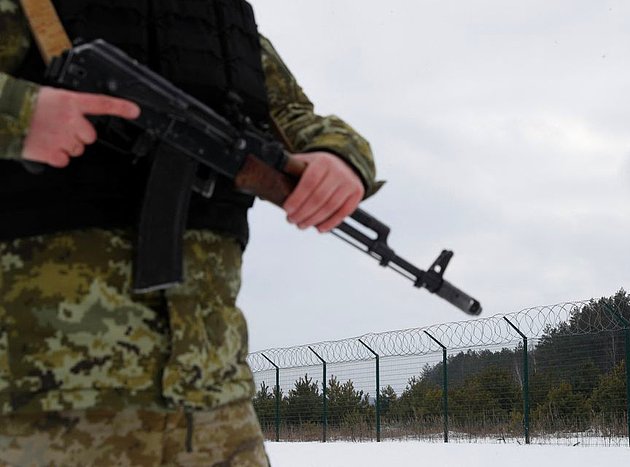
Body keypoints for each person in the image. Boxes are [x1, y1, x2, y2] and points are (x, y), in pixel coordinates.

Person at [0, 0, 379, 465]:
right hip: (38, 401)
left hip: (216, 402)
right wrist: (21, 113)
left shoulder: (221, 27)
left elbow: (296, 118)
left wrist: (339, 157)